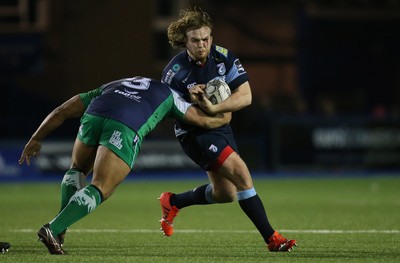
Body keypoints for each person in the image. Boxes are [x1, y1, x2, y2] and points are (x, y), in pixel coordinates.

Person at [18, 76, 231, 255]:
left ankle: (59, 228)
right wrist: (226, 111)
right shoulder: (170, 95)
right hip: (125, 124)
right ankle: (53, 229)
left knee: (76, 169)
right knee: (102, 186)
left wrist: (36, 138)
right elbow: (205, 121)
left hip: (95, 114)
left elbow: (61, 111)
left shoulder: (118, 83)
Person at [159, 8, 296, 252]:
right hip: (194, 134)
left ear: (211, 37)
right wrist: (193, 104)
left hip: (220, 127)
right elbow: (175, 113)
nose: (202, 45)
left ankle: (173, 201)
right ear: (185, 41)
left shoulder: (224, 57)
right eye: (195, 40)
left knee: (225, 193)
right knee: (242, 174)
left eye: (206, 39)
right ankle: (272, 239)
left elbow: (246, 96)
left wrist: (215, 107)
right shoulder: (174, 73)